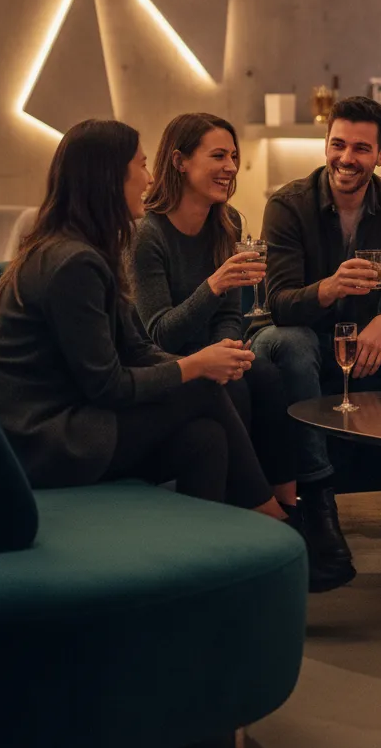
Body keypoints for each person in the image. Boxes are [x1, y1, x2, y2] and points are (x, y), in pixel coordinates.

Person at [0, 119, 299, 528]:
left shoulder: (91, 249)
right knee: (203, 392)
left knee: (205, 439)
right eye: (141, 165)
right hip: (32, 440)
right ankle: (269, 512)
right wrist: (194, 367)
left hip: (65, 419)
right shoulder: (73, 262)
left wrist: (210, 359)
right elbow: (108, 385)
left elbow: (137, 348)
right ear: (109, 178)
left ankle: (205, 556)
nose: (150, 178)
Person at [130, 113, 353, 593]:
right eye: (217, 156)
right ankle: (272, 523)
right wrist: (213, 287)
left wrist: (228, 344)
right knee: (233, 384)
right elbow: (157, 334)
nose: (230, 166)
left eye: (233, 156)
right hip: (167, 366)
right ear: (178, 161)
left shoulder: (226, 222)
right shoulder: (147, 236)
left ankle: (288, 509)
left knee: (266, 373)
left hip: (213, 354)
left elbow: (233, 315)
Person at [252, 95, 381, 555]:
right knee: (292, 343)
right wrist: (330, 288)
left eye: (361, 148)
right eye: (338, 145)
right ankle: (318, 500)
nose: (346, 158)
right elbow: (278, 305)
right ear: (325, 146)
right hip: (302, 334)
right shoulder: (287, 205)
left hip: (367, 337)